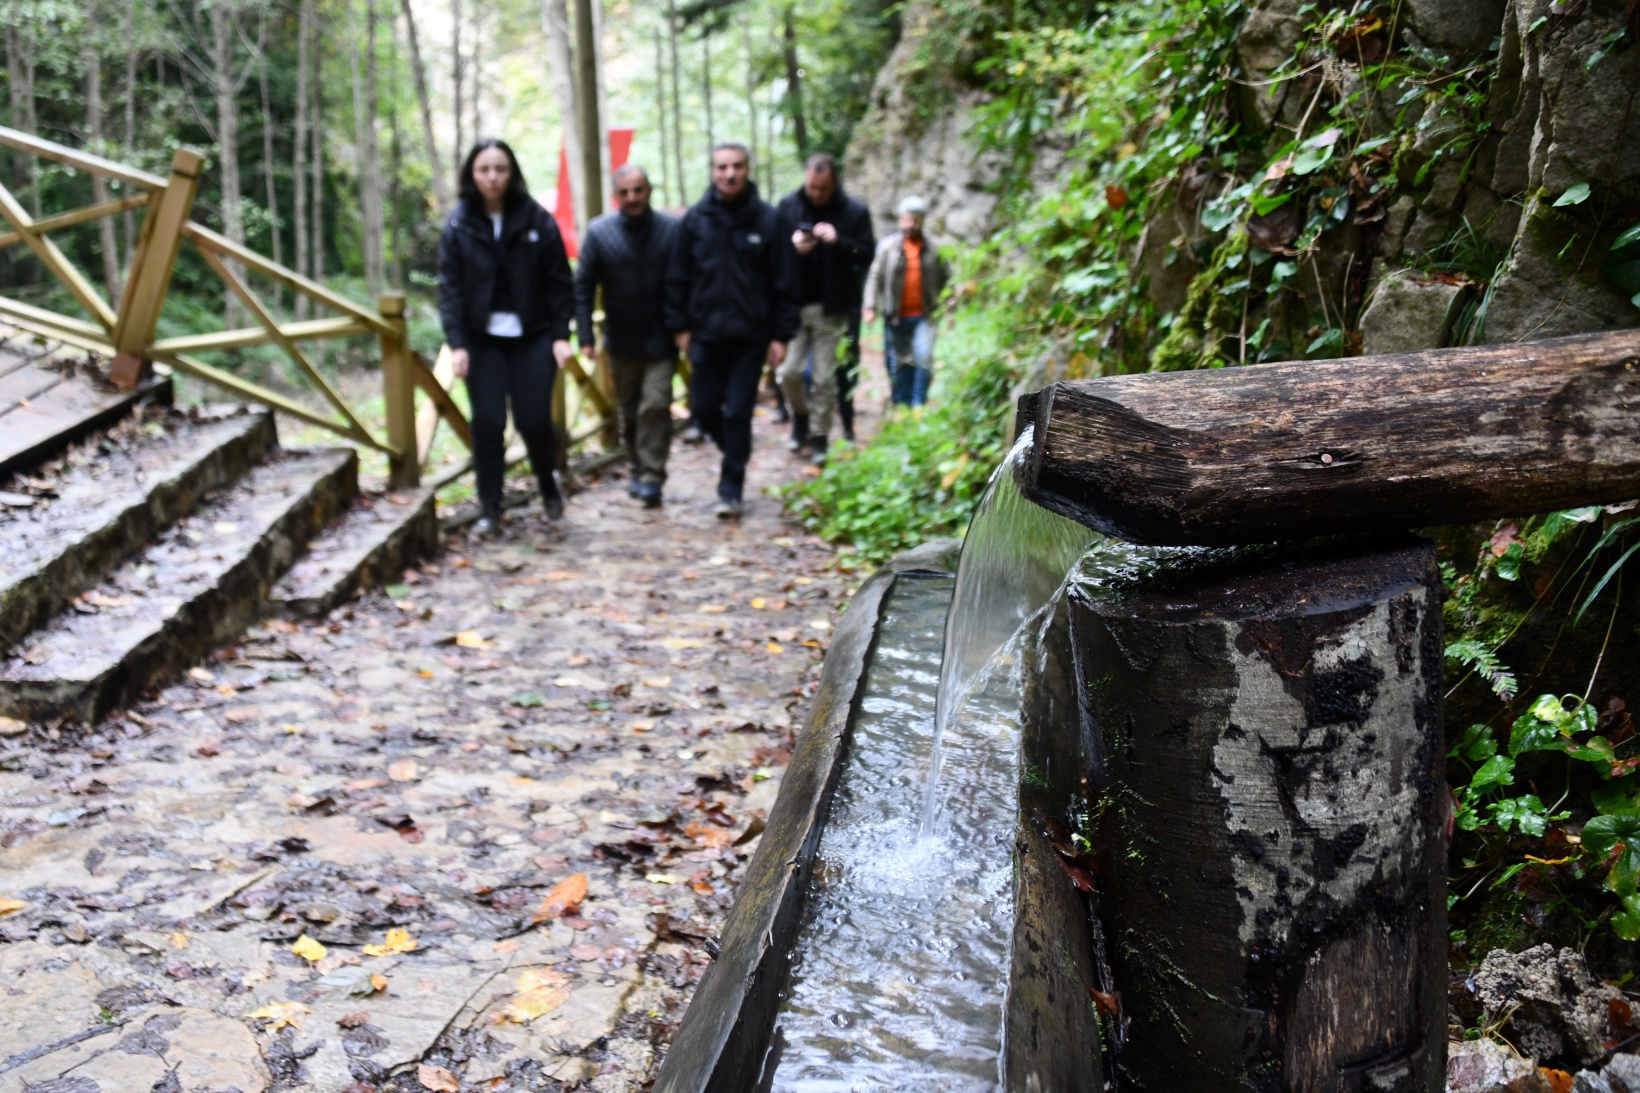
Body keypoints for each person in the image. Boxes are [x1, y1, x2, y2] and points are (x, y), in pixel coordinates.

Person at [438, 139, 575, 538]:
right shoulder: (459, 223)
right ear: (472, 174)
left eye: (500, 168)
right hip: (481, 340)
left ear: (511, 172)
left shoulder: (536, 219)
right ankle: (490, 509)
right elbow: (449, 288)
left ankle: (548, 483)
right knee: (487, 423)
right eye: (484, 169)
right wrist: (457, 343)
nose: (493, 177)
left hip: (533, 336)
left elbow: (559, 282)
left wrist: (560, 334)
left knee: (534, 420)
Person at [665, 142, 797, 519]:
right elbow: (677, 276)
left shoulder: (769, 220)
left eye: (737, 166)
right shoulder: (695, 220)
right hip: (705, 334)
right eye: (722, 167)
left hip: (751, 336)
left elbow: (785, 280)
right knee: (704, 408)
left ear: (747, 169)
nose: (730, 174)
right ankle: (737, 450)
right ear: (712, 171)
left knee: (738, 412)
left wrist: (781, 335)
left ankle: (731, 487)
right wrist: (679, 327)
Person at [573, 165, 681, 508]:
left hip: (663, 338)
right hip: (621, 340)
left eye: (638, 190)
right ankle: (635, 467)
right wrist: (585, 336)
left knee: (655, 405)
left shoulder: (672, 230)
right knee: (629, 410)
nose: (632, 197)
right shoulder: (599, 232)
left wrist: (686, 328)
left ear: (649, 190)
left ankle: (652, 476)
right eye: (625, 192)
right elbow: (583, 285)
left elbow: (687, 281)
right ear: (616, 195)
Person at [774, 152, 875, 464]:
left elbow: (867, 254)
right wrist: (791, 247)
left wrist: (838, 240)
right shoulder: (787, 206)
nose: (816, 193)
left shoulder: (854, 211)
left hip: (832, 309)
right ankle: (800, 417)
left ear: (835, 182)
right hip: (793, 306)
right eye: (812, 187)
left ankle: (819, 437)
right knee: (788, 373)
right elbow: (769, 254)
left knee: (824, 379)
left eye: (823, 188)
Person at [863, 195, 950, 408]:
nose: (911, 225)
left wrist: (950, 310)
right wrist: (870, 306)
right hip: (895, 316)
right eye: (907, 219)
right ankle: (902, 404)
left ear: (923, 221)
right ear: (900, 220)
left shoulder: (934, 249)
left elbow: (948, 280)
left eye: (916, 220)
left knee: (924, 357)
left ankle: (918, 404)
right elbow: (875, 276)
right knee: (900, 362)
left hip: (924, 316)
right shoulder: (887, 247)